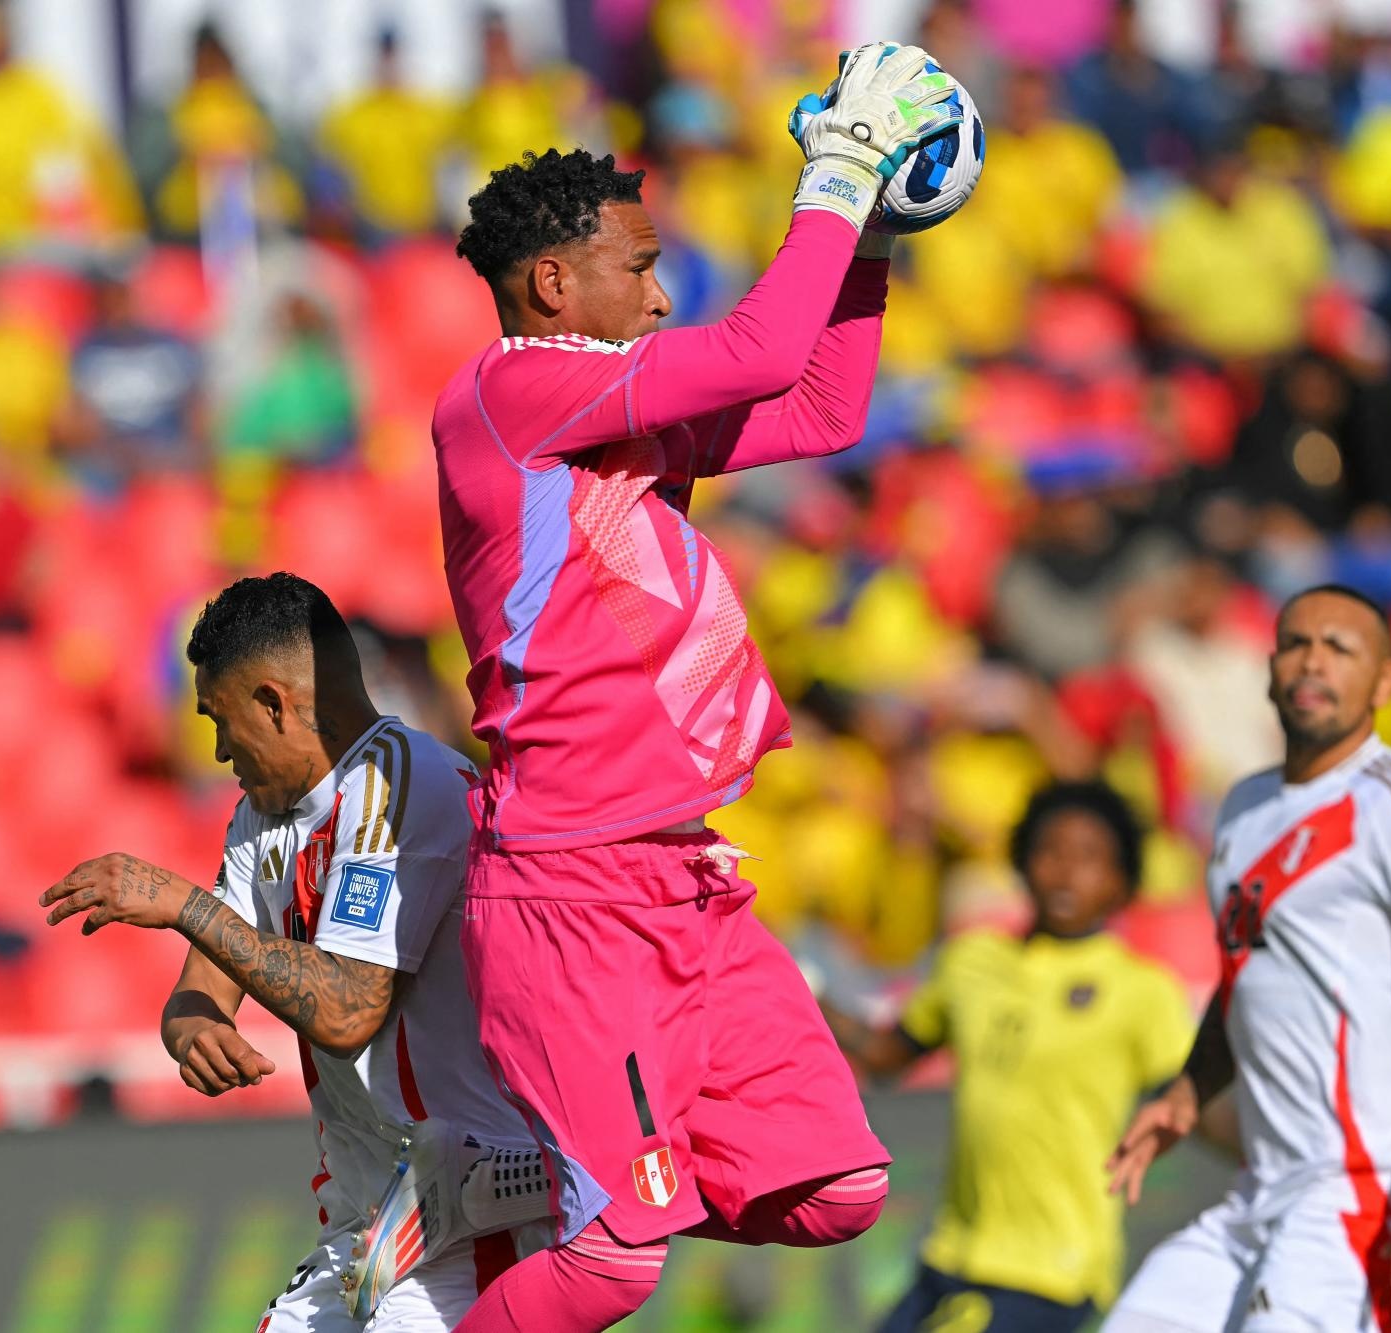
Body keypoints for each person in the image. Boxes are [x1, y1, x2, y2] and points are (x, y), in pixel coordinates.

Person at [428, 43, 964, 1332]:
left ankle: (550, 1184)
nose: (662, 297)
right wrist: (834, 175)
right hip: (569, 891)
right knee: (617, 1264)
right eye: (642, 266)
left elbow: (824, 408)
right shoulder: (509, 394)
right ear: (552, 281)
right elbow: (763, 347)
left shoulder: (609, 415)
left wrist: (875, 237)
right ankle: (558, 1206)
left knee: (837, 1190)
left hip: (680, 880)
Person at [40, 573, 575, 1331]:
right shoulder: (262, 818)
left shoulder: (405, 788)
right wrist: (195, 1032)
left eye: (220, 720)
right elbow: (201, 988)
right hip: (364, 1229)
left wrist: (184, 904)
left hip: (472, 1221)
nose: (220, 748)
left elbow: (348, 1007)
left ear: (273, 701)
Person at [1102, 585, 1391, 1333]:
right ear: (1269, 670)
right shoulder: (1243, 807)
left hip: (1354, 1193)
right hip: (1257, 1195)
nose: (1313, 661)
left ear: (1386, 682)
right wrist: (1189, 1090)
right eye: (1296, 643)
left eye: (1340, 647)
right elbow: (1247, 978)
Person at [823, 780, 1194, 1332]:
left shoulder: (1143, 990)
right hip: (954, 1250)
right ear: (1022, 862)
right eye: (1050, 851)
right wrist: (807, 1000)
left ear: (1121, 882)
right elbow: (888, 1056)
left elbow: (1192, 1098)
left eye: (1090, 858)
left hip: (1055, 1268)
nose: (1066, 872)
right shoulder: (973, 959)